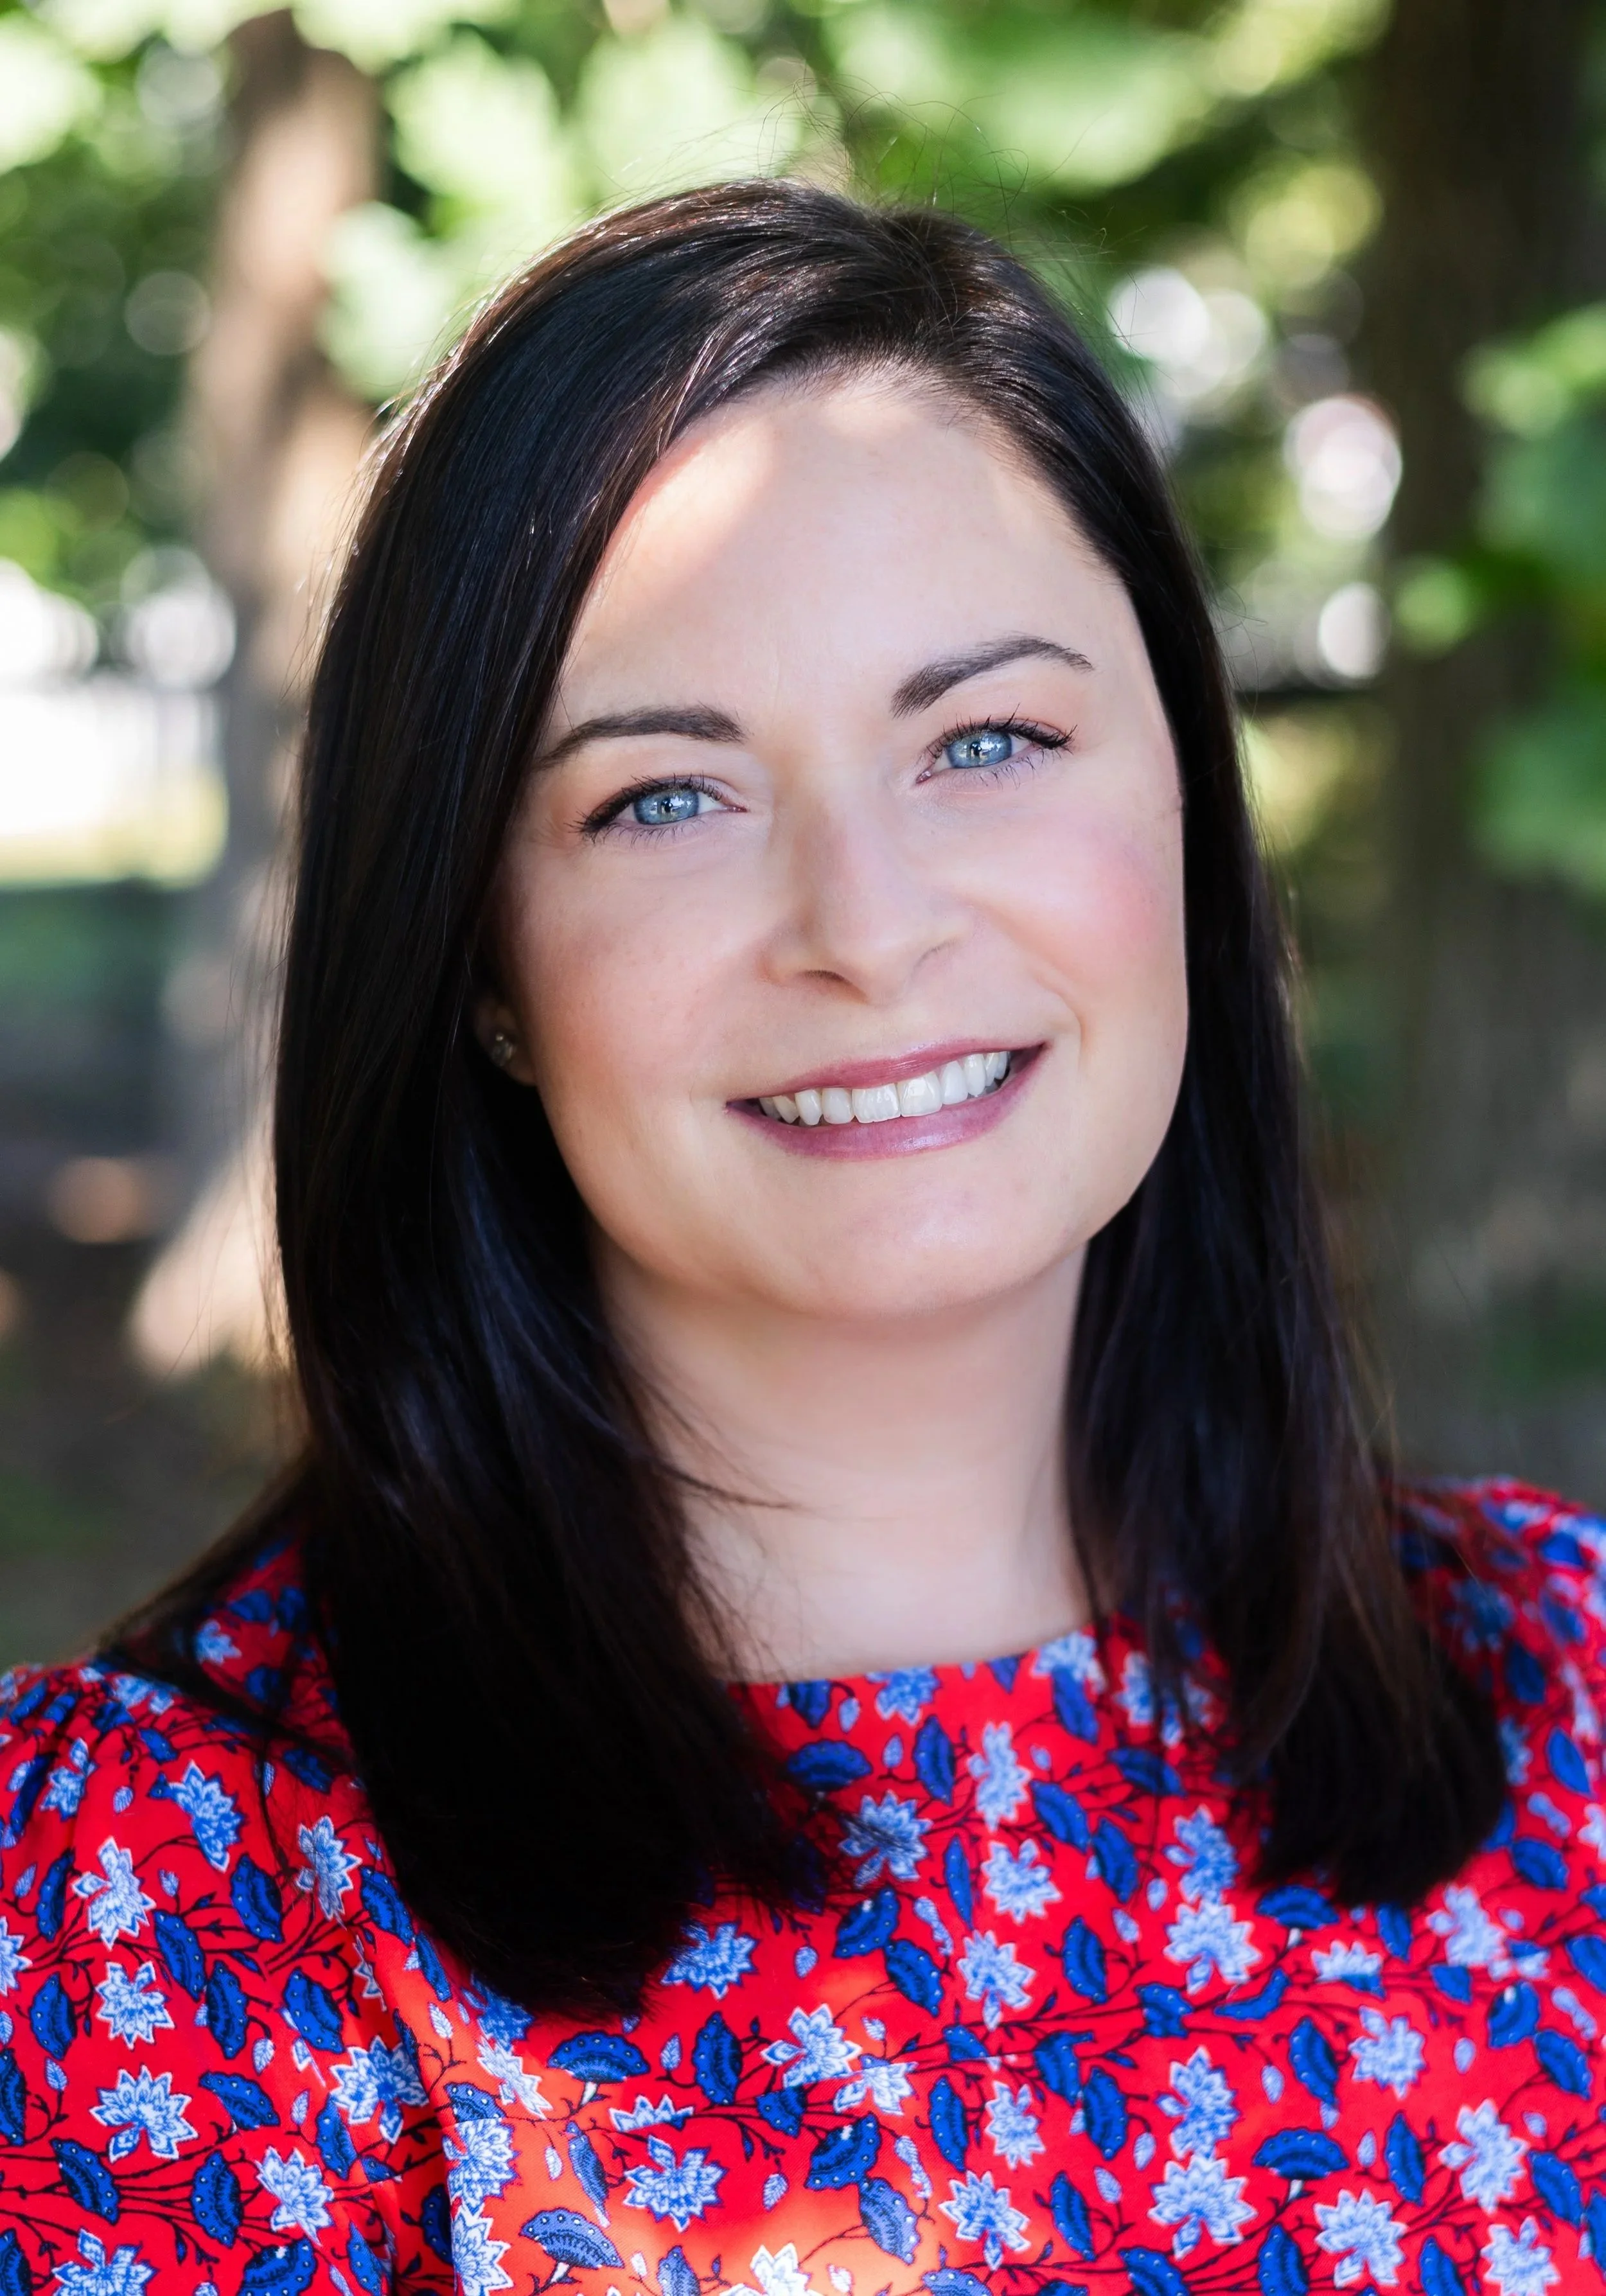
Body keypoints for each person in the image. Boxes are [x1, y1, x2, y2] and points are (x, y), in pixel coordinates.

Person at [1, 180, 1602, 2296]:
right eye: (662, 797)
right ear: (478, 960)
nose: (866, 925)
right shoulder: (128, 1900)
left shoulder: (1567, 1697)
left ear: (1185, 808)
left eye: (988, 739)